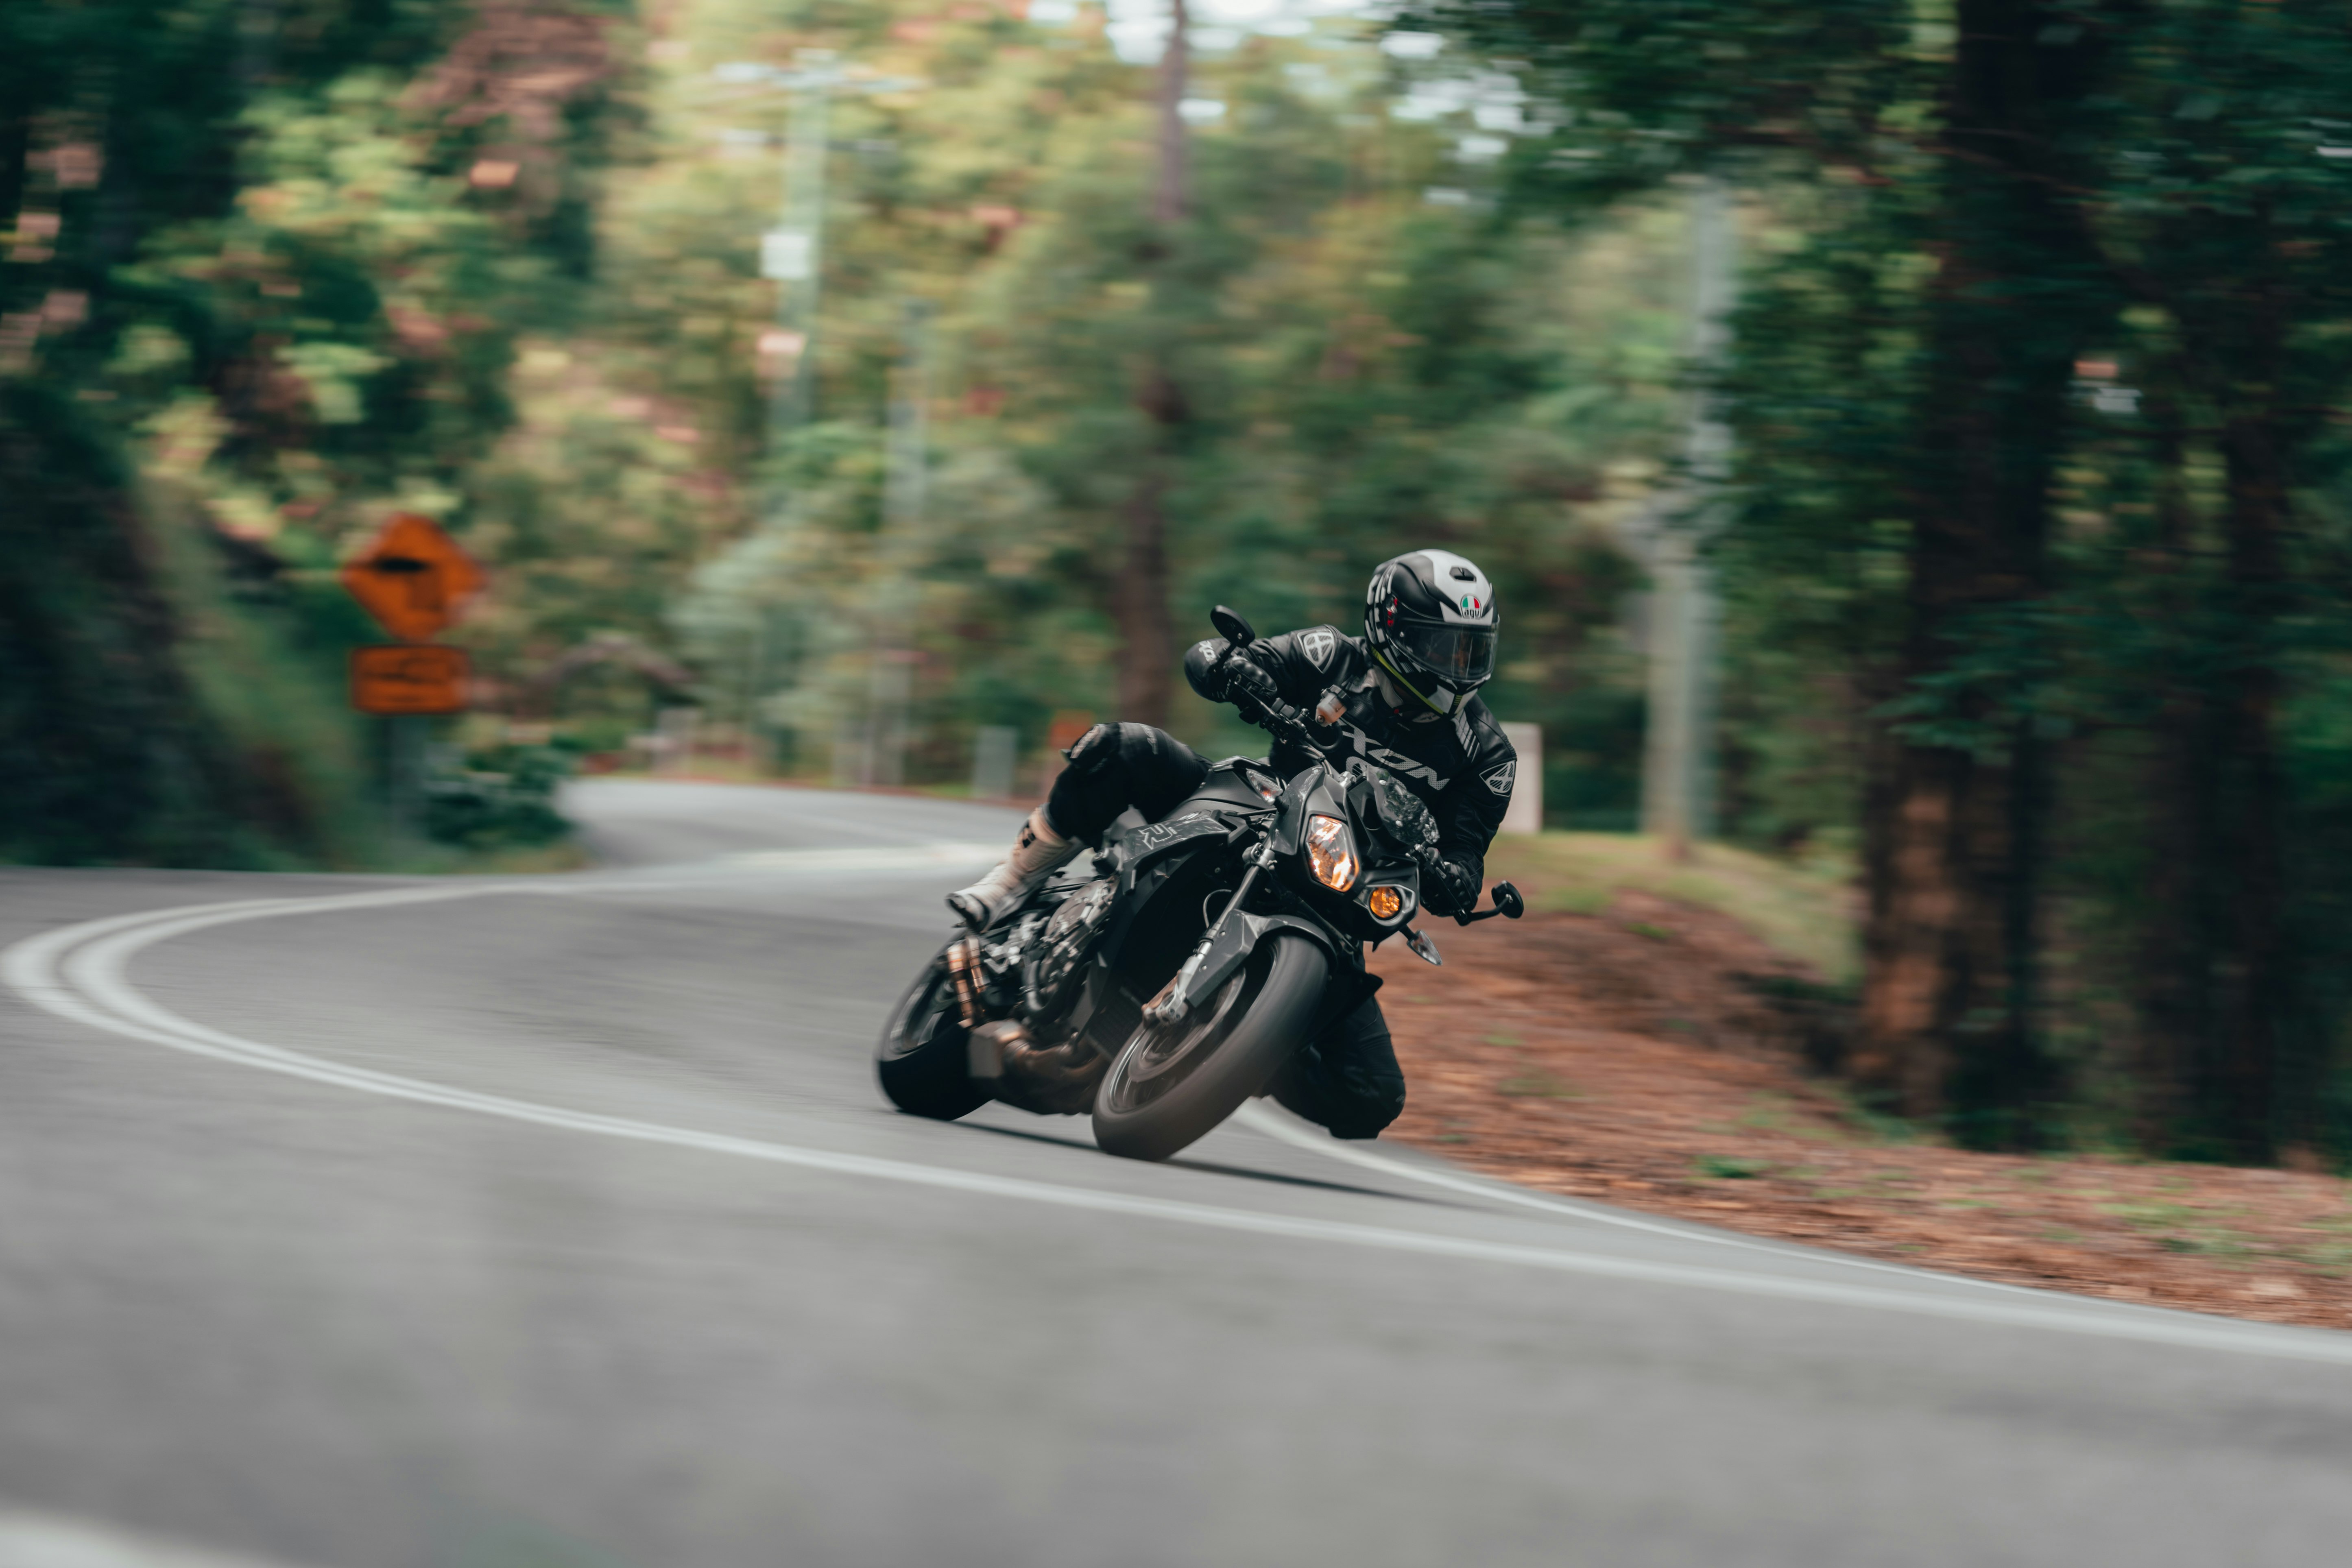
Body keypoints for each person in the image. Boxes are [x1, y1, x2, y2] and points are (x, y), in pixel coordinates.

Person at [946, 549, 1518, 1139]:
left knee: (1371, 1097)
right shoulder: (1331, 654)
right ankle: (1008, 884)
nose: (1455, 666)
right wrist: (1234, 669)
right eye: (1440, 646)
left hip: (1341, 888)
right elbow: (1214, 658)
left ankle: (1232, 1042)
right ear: (1390, 627)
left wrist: (1454, 880)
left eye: (1470, 649)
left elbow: (1466, 855)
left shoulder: (1487, 752)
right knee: (1125, 747)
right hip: (1254, 806)